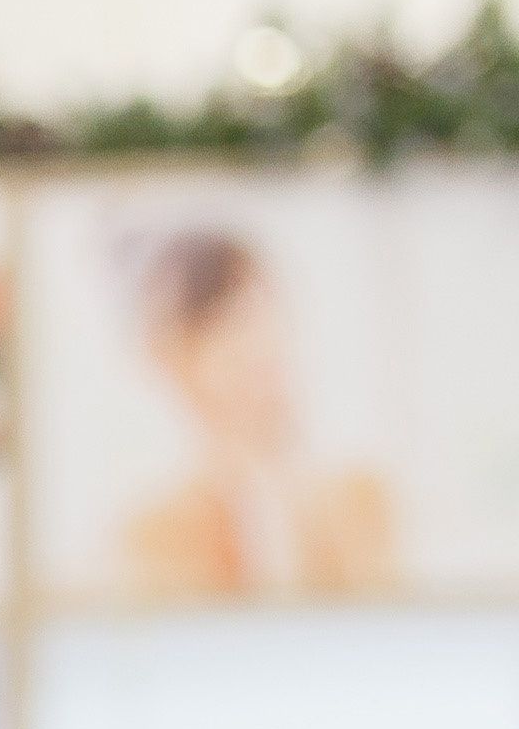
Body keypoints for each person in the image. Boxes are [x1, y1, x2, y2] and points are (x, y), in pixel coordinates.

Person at [120, 227, 396, 595]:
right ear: (179, 365)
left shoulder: (362, 497)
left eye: (265, 322)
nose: (264, 359)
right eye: (232, 337)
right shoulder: (157, 532)